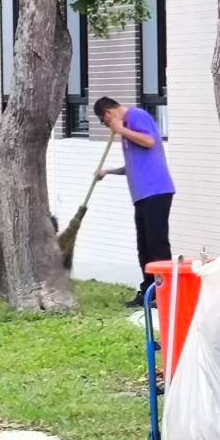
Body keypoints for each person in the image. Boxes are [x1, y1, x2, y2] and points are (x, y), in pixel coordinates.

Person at [94, 97, 175, 307]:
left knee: (157, 245)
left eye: (105, 122)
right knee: (144, 247)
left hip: (156, 191)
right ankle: (148, 292)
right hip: (141, 196)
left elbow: (149, 141)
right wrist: (108, 172)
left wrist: (121, 130)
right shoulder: (126, 130)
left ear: (109, 114)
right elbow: (133, 165)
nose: (108, 126)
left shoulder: (136, 117)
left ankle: (165, 293)